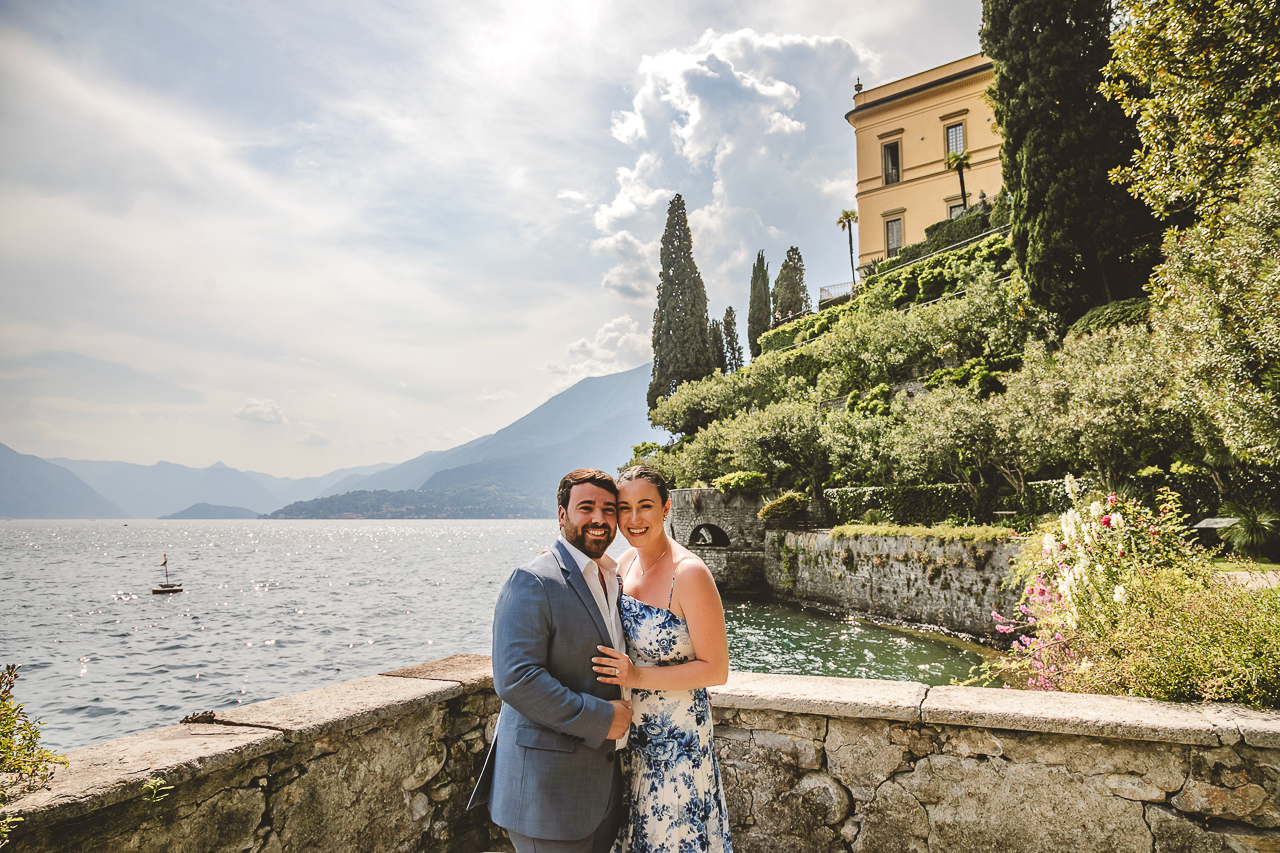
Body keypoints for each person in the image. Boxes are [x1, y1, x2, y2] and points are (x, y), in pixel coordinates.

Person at [469, 469, 634, 853]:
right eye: (586, 508)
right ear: (562, 515)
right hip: (547, 792)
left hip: (604, 786)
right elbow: (516, 680)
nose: (599, 518)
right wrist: (603, 718)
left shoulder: (613, 576)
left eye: (608, 510)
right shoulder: (532, 580)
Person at [591, 465, 734, 852]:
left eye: (646, 506)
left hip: (678, 740)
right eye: (624, 508)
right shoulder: (624, 564)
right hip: (632, 735)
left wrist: (636, 676)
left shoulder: (689, 574)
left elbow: (716, 669)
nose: (634, 519)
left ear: (666, 508)